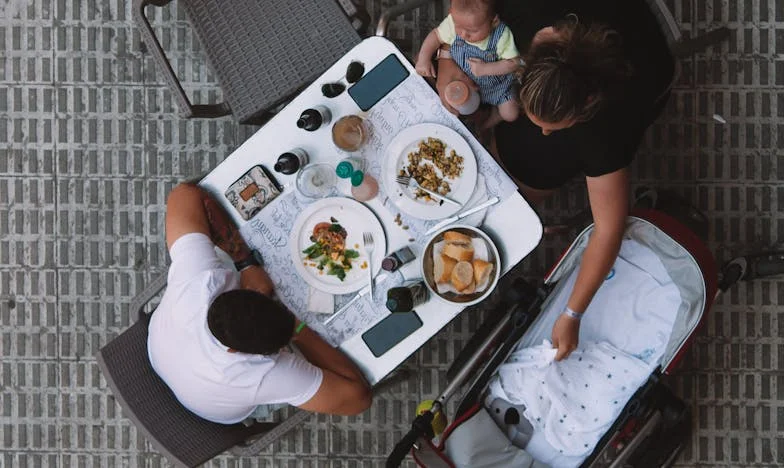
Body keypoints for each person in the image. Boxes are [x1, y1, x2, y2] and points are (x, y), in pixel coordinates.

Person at [434, 0, 675, 361]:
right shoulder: (527, 15)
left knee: (530, 164)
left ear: (587, 105)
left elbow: (609, 230)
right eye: (538, 118)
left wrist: (572, 313)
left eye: (554, 126)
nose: (545, 131)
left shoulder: (605, 130)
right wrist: (445, 60)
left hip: (646, 64)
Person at [147, 182, 372, 424]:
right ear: (268, 355)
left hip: (161, 351)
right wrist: (298, 330)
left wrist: (245, 262)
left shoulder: (200, 281)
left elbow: (183, 194)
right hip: (214, 407)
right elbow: (358, 399)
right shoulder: (262, 373)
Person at [416, 0, 520, 129]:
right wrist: (423, 58)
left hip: (497, 86)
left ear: (494, 21)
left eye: (472, 31)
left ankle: (494, 117)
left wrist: (486, 69)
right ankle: (474, 118)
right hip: (464, 78)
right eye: (458, 26)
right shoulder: (456, 22)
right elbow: (436, 36)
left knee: (510, 114)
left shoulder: (502, 36)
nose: (463, 34)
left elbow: (514, 63)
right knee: (455, 105)